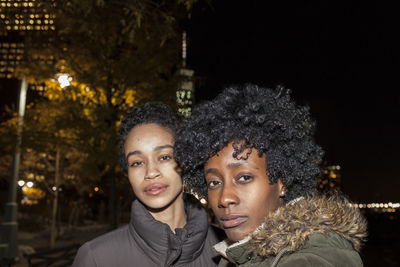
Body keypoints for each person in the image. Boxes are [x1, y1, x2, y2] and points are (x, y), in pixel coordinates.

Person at [175, 85, 367, 266]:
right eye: (214, 182)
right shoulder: (238, 255)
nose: (224, 198)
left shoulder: (311, 258)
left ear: (282, 180)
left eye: (244, 177)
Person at [72, 102, 221, 267]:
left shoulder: (230, 249)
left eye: (164, 157)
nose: (151, 172)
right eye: (136, 163)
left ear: (185, 161)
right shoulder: (96, 258)